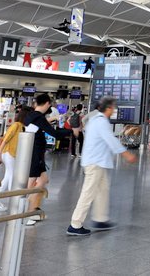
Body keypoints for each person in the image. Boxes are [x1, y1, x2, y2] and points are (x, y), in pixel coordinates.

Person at [66, 97, 137, 236]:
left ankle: (100, 219)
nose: (114, 110)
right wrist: (126, 154)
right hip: (95, 163)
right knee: (88, 193)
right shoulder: (100, 121)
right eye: (113, 107)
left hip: (97, 162)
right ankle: (75, 224)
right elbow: (111, 140)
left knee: (102, 190)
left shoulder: (95, 119)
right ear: (108, 108)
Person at [23, 94, 63, 225]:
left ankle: (33, 209)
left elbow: (41, 125)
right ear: (46, 103)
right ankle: (25, 213)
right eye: (49, 104)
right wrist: (72, 132)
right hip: (35, 153)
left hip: (34, 152)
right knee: (31, 183)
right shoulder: (39, 117)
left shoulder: (32, 115)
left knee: (43, 180)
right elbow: (55, 134)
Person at [0, 107, 27, 212]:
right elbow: (5, 139)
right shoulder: (16, 125)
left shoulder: (22, 127)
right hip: (8, 153)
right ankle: (13, 200)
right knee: (12, 175)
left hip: (12, 154)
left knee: (8, 176)